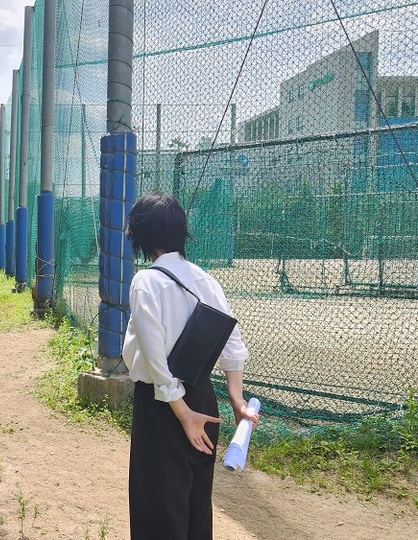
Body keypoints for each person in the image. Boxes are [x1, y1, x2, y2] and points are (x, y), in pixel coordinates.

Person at [122, 192, 258, 540]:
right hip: (204, 400)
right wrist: (237, 400)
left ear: (141, 236)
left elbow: (155, 358)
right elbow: (232, 343)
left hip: (163, 406)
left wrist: (182, 414)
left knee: (157, 509)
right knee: (196, 505)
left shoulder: (146, 281)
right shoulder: (206, 280)